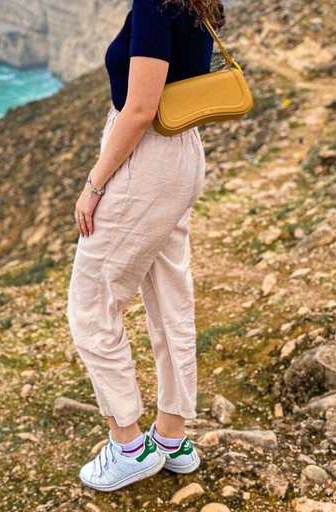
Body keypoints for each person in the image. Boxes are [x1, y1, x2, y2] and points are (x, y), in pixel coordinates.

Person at [66, 0, 224, 492]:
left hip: (147, 159)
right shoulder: (194, 0)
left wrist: (93, 185)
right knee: (169, 295)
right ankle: (172, 437)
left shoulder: (155, 1)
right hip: (183, 153)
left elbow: (139, 109)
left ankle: (130, 446)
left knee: (91, 303)